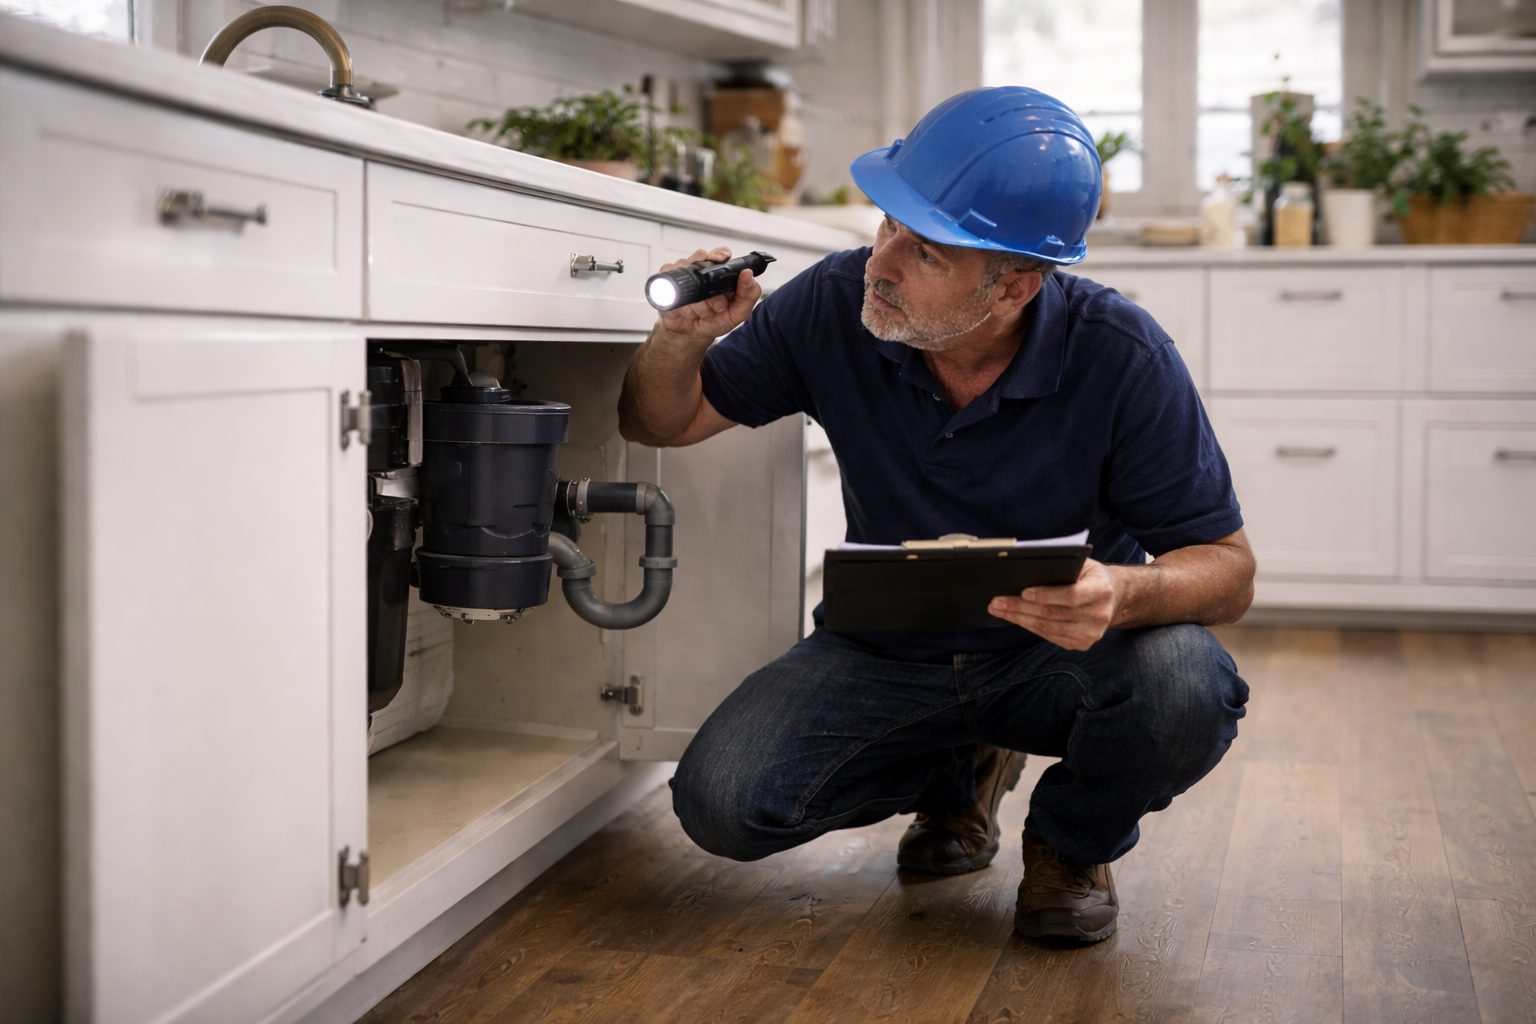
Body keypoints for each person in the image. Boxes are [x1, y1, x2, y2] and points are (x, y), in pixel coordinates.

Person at [616, 85, 1254, 944]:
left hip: (1054, 656)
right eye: (886, 225)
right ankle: (959, 773)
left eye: (924, 252)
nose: (880, 261)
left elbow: (1229, 569)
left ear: (1014, 286)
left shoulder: (1122, 353)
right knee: (722, 805)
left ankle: (1071, 846)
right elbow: (662, 421)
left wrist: (1120, 593)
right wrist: (679, 339)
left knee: (1187, 683)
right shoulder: (841, 300)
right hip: (886, 650)